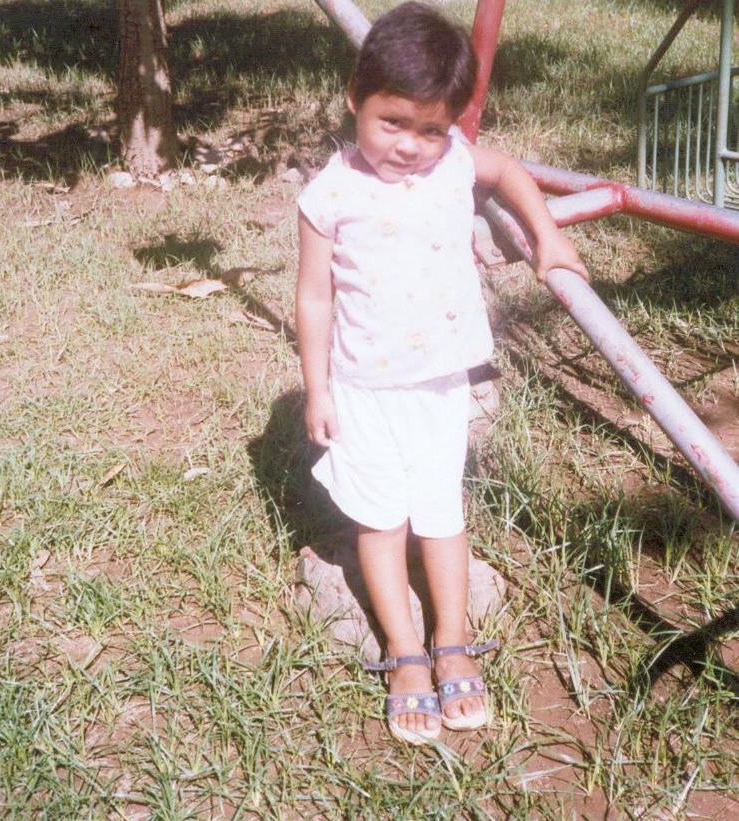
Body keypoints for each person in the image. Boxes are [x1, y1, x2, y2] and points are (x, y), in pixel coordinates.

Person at [295, 1, 588, 745]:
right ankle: (405, 653)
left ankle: (452, 642)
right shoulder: (330, 194)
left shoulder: (454, 160)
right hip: (365, 389)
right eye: (393, 122)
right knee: (381, 522)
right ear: (355, 98)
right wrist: (319, 390)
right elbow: (314, 296)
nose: (411, 146)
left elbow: (508, 170)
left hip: (441, 385)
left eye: (431, 129)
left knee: (442, 514)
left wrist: (548, 237)